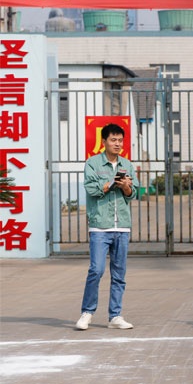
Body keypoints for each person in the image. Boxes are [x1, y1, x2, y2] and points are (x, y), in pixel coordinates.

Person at [75, 123, 139, 330]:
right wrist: (111, 183)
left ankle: (115, 316)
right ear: (104, 141)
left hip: (122, 226)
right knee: (96, 270)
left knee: (119, 274)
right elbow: (92, 189)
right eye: (113, 140)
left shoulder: (127, 165)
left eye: (120, 140)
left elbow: (134, 194)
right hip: (100, 226)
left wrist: (126, 187)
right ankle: (87, 312)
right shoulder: (93, 163)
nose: (117, 144)